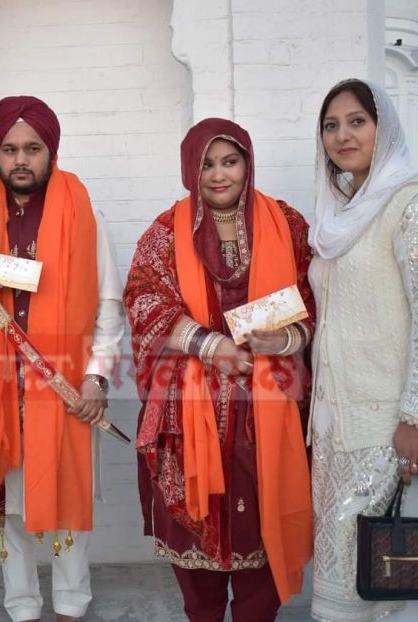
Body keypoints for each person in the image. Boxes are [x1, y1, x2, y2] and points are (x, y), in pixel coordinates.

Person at [308, 79, 418, 622]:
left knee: (399, 583)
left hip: (396, 430)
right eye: (331, 125)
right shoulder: (341, 214)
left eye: (357, 121)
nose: (343, 135)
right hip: (341, 427)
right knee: (350, 580)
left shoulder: (412, 202)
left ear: (383, 127)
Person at [122, 118, 315, 622]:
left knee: (262, 563)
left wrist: (287, 339)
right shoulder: (167, 231)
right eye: (206, 164)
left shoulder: (287, 224)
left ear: (247, 163)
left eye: (229, 161)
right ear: (191, 168)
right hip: (187, 420)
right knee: (200, 581)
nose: (218, 174)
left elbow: (315, 299)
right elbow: (142, 299)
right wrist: (210, 346)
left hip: (269, 415)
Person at [0, 96, 125, 622]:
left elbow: (109, 304)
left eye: (32, 148)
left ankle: (71, 604)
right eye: (10, 149)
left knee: (67, 499)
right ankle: (22, 606)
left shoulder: (84, 213)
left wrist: (97, 378)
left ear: (51, 151)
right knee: (11, 506)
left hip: (65, 385)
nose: (21, 160)